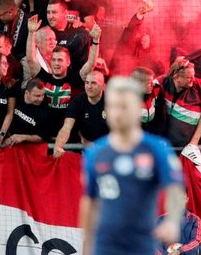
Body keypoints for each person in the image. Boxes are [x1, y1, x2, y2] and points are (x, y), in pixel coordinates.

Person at [80, 76, 186, 255]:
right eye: (113, 106)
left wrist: (173, 221)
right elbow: (90, 202)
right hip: (104, 247)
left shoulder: (156, 149)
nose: (118, 113)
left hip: (141, 246)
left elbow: (175, 188)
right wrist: (87, 245)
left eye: (124, 106)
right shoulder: (94, 154)